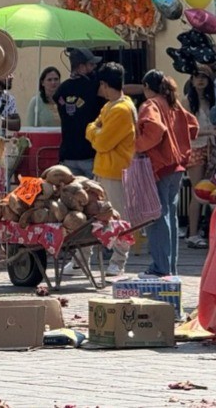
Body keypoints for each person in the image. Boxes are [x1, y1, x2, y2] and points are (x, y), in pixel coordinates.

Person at [135, 70, 198, 278]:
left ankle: (160, 267)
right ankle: (170, 267)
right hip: (177, 167)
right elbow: (193, 125)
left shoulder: (151, 104)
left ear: (146, 87)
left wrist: (138, 145)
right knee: (170, 215)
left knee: (157, 216)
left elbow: (154, 128)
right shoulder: (173, 103)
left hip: (160, 167)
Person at [85, 62, 137, 277]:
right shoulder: (108, 106)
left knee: (119, 218)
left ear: (106, 84)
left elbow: (100, 142)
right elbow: (93, 127)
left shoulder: (122, 109)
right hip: (103, 170)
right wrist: (95, 130)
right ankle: (83, 259)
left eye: (101, 85)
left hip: (116, 173)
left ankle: (118, 260)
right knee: (91, 216)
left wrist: (94, 130)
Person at [185, 64, 216, 249]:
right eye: (196, 76)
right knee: (197, 192)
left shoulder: (213, 100)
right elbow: (186, 131)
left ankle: (207, 231)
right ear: (191, 80)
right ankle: (192, 234)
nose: (200, 80)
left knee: (212, 191)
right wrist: (210, 131)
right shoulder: (186, 101)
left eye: (204, 77)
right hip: (196, 148)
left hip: (212, 148)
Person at [54, 48, 104, 177]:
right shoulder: (94, 86)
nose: (94, 68)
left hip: (68, 154)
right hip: (89, 153)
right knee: (95, 195)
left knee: (71, 195)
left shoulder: (61, 89)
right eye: (91, 64)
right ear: (81, 67)